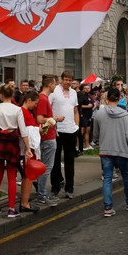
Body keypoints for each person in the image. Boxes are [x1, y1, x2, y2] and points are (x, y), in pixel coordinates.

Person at [0, 84, 32, 218]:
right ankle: (11, 208)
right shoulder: (17, 110)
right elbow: (23, 132)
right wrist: (28, 148)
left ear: (0, 95)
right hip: (11, 142)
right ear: (12, 95)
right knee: (12, 175)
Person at [93, 88, 128, 217]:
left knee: (107, 178)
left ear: (107, 98)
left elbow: (95, 134)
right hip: (122, 150)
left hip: (106, 150)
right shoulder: (124, 114)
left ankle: (108, 207)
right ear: (119, 98)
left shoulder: (100, 114)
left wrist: (97, 140)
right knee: (126, 176)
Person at [49, 71, 79, 199]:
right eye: (65, 80)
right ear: (61, 80)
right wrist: (53, 120)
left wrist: (77, 126)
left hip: (71, 130)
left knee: (69, 160)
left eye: (70, 80)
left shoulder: (74, 93)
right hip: (57, 130)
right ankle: (55, 186)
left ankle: (69, 187)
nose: (68, 82)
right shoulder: (54, 91)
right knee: (55, 160)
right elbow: (48, 108)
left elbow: (76, 111)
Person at [35, 76, 61, 206]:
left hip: (47, 136)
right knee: (47, 167)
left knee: (44, 166)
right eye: (55, 84)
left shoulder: (42, 98)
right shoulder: (43, 99)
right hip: (47, 137)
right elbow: (40, 119)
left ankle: (42, 192)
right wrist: (55, 118)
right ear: (50, 85)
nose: (55, 86)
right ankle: (42, 194)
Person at [18, 90, 41, 213]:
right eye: (35, 103)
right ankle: (25, 203)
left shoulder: (24, 112)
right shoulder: (23, 112)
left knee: (28, 176)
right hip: (27, 149)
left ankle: (24, 202)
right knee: (28, 176)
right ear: (29, 100)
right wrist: (40, 130)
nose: (36, 106)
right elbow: (26, 132)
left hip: (27, 148)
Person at [78, 84, 95, 151]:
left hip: (89, 115)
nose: (87, 89)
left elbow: (92, 104)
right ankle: (79, 146)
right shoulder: (82, 96)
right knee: (82, 131)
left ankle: (87, 145)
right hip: (83, 115)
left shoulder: (90, 96)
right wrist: (88, 106)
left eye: (88, 88)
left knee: (88, 131)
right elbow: (79, 105)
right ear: (83, 89)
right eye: (85, 88)